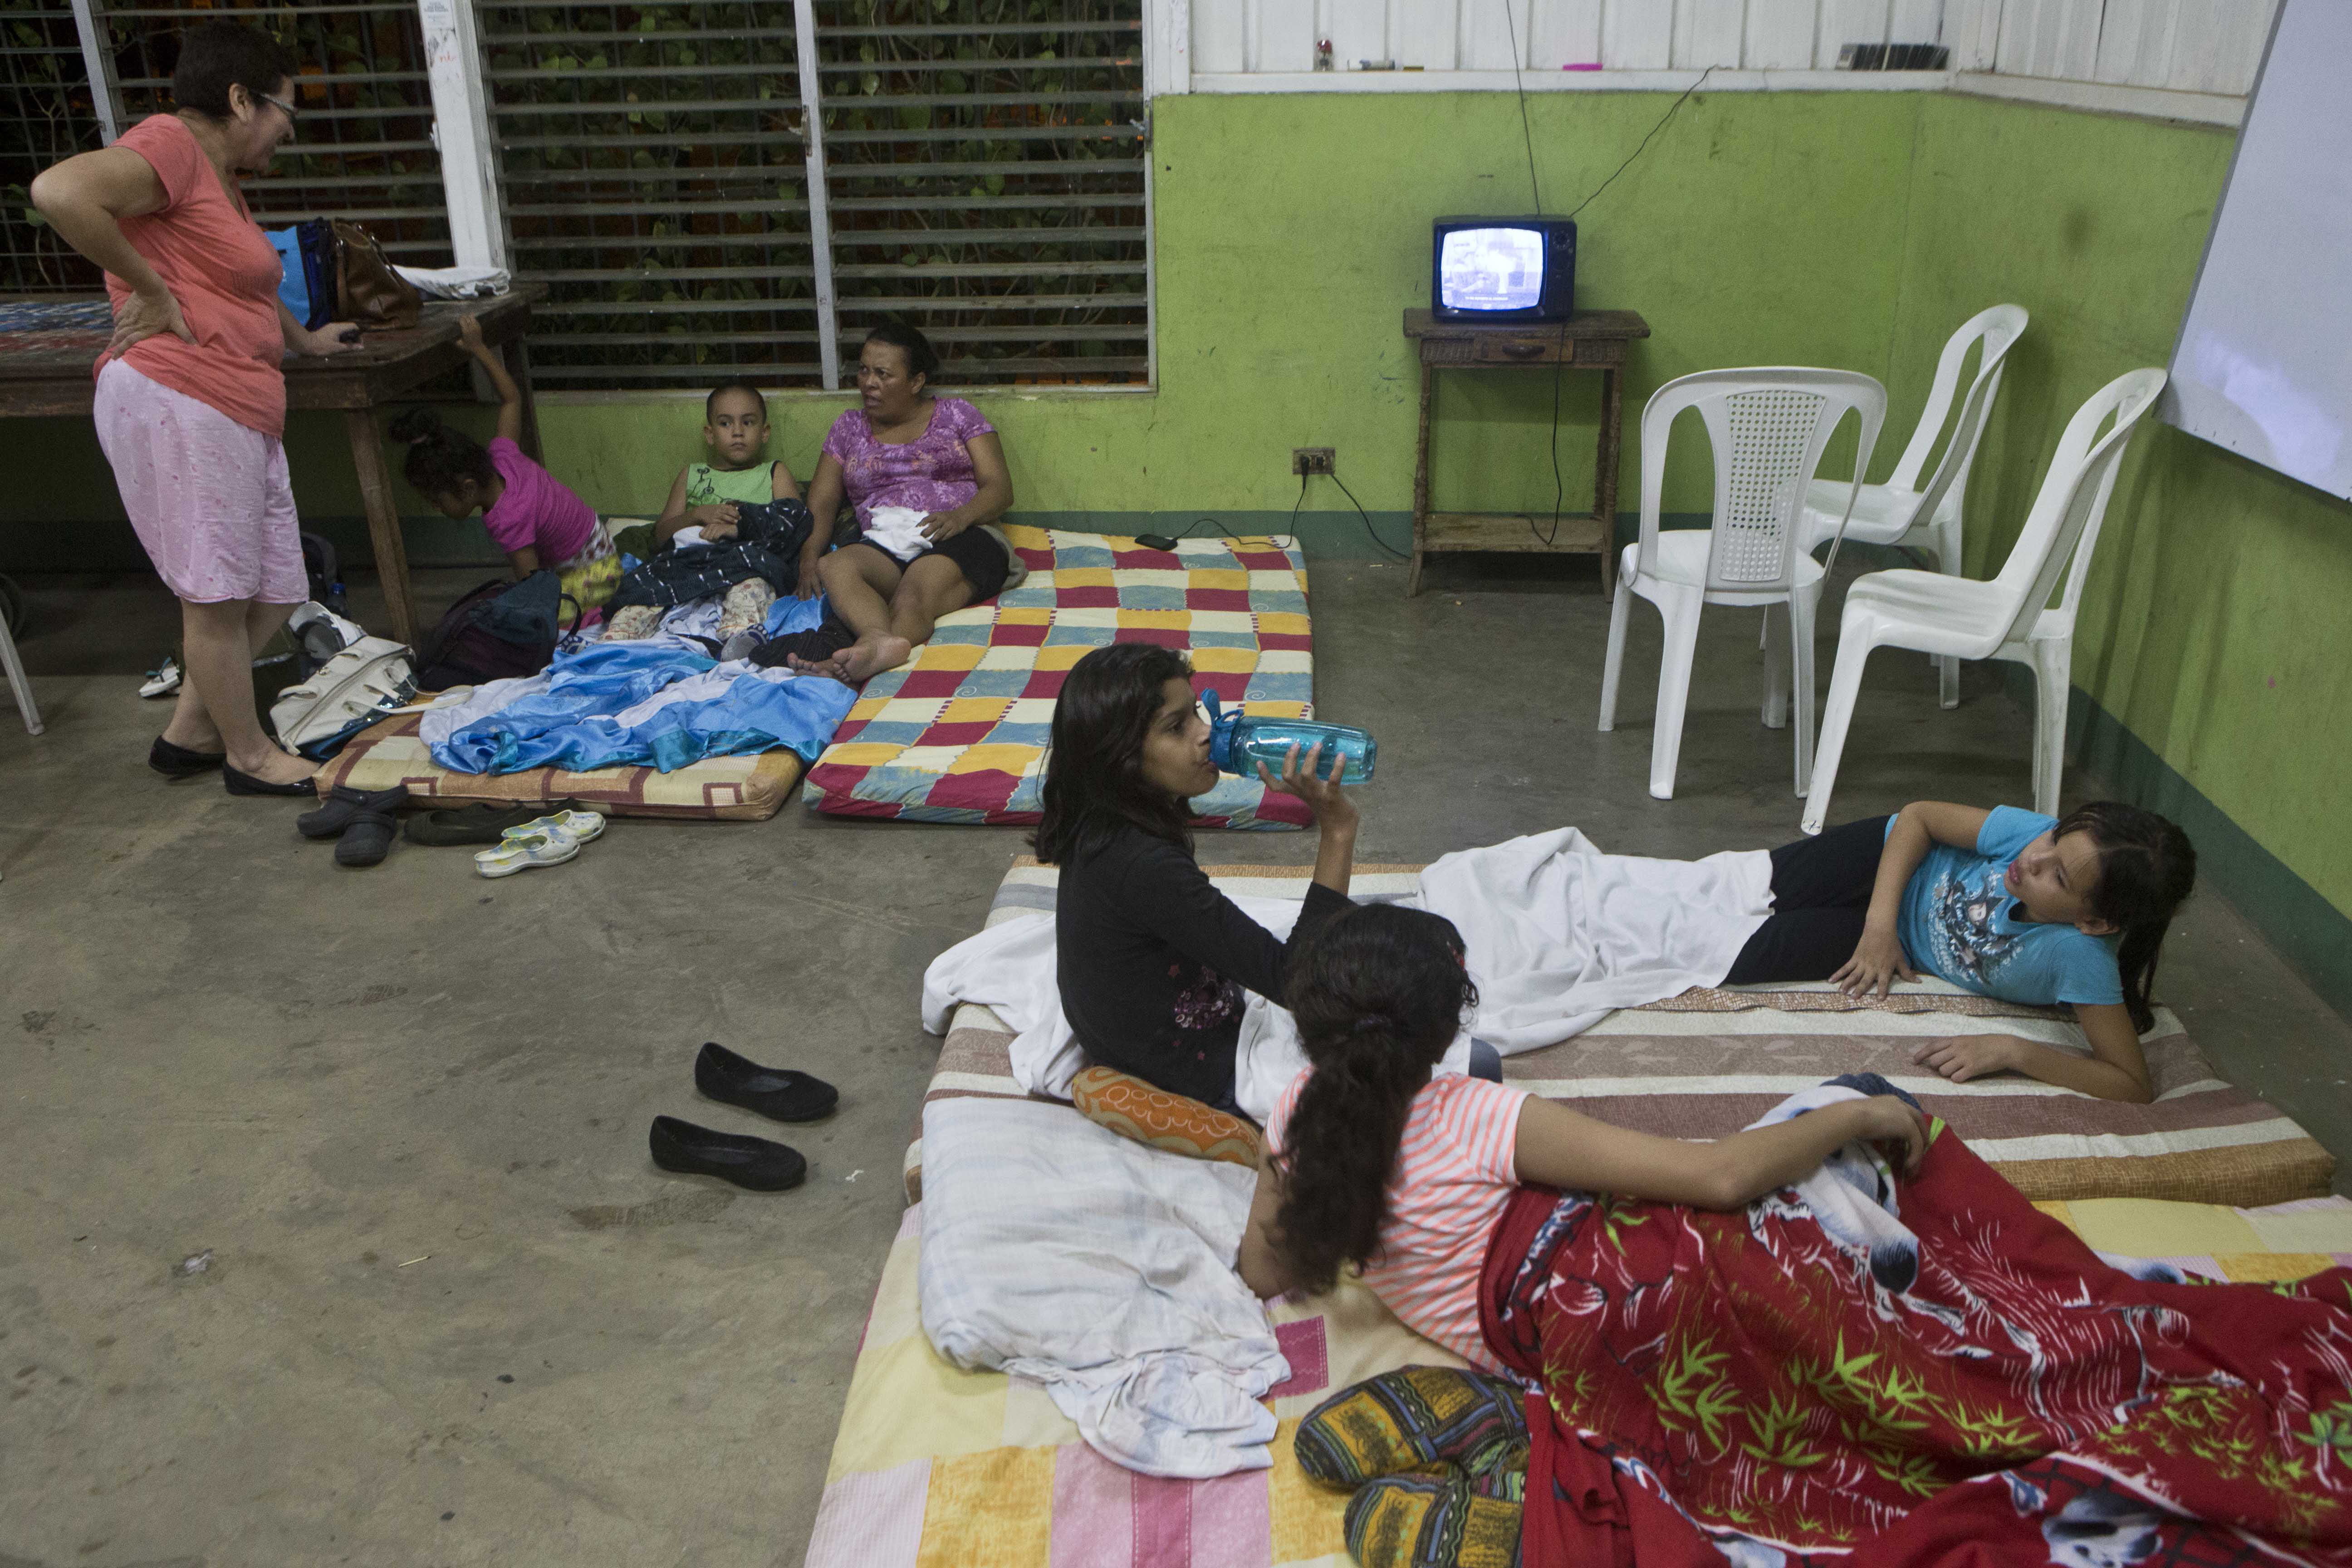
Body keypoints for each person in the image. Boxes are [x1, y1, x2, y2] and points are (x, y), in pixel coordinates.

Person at [1235, 903, 1930, 1352]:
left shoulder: (1295, 1115)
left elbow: (1263, 1272)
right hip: (1627, 1317)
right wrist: (1860, 1113)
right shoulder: (1477, 1119)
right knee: (1857, 1104)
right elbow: (1720, 1177)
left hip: (1522, 1345)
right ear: (1444, 1028)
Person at [31, 19, 358, 794]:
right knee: (215, 595)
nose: (287, 131)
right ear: (242, 99)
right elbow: (59, 192)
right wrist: (146, 289)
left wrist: (304, 345)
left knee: (279, 586)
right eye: (286, 111)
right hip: (182, 397)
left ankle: (189, 730)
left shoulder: (220, 180)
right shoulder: (171, 147)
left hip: (239, 403)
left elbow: (243, 279)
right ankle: (246, 756)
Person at [1033, 643, 1358, 1114]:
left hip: (1151, 1039)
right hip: (1197, 1075)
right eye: (1177, 727)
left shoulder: (1105, 823)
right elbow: (1297, 982)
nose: (1206, 734)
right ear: (1120, 756)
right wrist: (1338, 830)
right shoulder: (1142, 866)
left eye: (1197, 713)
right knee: (1462, 1063)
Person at [1722, 800, 2197, 1103]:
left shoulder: (2080, 957)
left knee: (1733, 954)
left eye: (2057, 877)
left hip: (1900, 942)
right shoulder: (2032, 838)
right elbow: (1918, 818)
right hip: (1884, 862)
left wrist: (2015, 1051)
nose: (2032, 860)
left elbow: (2132, 1084)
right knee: (1734, 889)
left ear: (2094, 923)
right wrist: (1880, 924)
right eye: (2055, 841)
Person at [788, 322, 1021, 684]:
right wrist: (808, 558)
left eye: (883, 374)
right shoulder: (849, 427)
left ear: (916, 382)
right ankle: (877, 641)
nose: (869, 382)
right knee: (835, 565)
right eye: (864, 370)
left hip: (961, 534)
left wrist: (960, 517)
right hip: (886, 541)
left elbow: (1000, 489)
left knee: (914, 592)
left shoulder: (958, 415)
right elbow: (823, 500)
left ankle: (862, 660)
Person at [388, 317, 618, 624]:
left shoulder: (508, 520)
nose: (436, 506)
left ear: (468, 487)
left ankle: (595, 615)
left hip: (596, 576)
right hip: (599, 543)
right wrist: (479, 348)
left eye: (438, 499)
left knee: (525, 622)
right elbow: (511, 398)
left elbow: (534, 594)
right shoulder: (502, 455)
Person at [603, 379, 804, 646]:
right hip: (689, 562)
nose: (737, 432)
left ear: (765, 432)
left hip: (743, 563)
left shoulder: (774, 473)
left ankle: (737, 638)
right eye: (725, 423)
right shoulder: (692, 474)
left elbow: (794, 521)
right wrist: (698, 514)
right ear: (709, 434)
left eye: (748, 422)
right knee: (644, 591)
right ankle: (614, 641)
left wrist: (739, 527)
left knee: (753, 586)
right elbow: (660, 536)